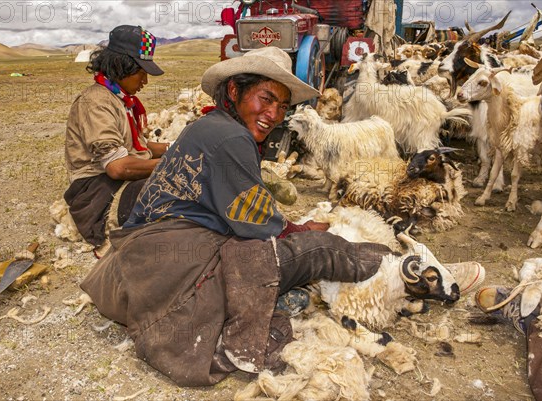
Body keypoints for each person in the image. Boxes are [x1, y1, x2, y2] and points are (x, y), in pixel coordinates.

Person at [80, 47, 394, 386]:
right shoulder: (231, 137)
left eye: (282, 107)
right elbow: (262, 226)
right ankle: (395, 266)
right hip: (163, 280)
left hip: (129, 275)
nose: (273, 114)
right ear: (235, 91)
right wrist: (302, 230)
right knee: (316, 249)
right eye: (266, 99)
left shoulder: (209, 125)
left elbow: (238, 206)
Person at [64, 25, 169, 250]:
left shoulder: (119, 99)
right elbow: (118, 167)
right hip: (95, 194)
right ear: (123, 67)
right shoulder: (96, 103)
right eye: (141, 73)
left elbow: (135, 146)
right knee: (168, 194)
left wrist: (173, 149)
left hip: (112, 181)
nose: (145, 81)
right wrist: (171, 165)